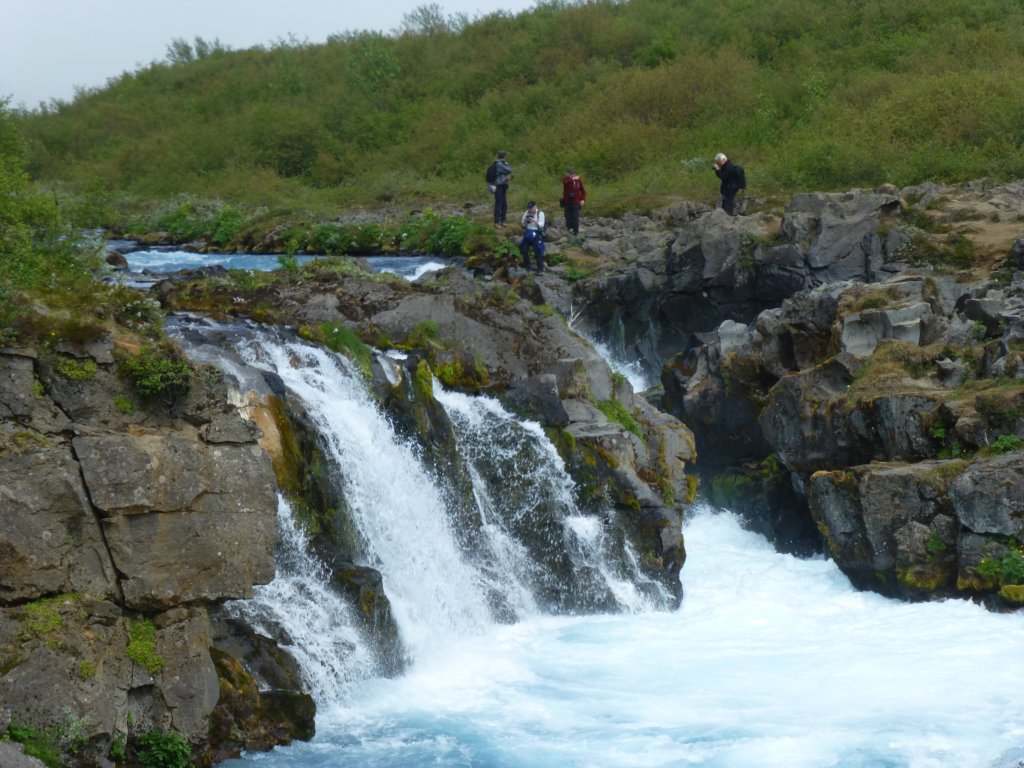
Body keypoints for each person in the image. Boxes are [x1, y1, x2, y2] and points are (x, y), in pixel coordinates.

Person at [519, 200, 546, 273]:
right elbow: (523, 224)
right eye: (529, 208)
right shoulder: (527, 212)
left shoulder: (540, 213)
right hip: (528, 232)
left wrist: (535, 220)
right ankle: (527, 265)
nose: (530, 209)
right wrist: (525, 220)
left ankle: (540, 268)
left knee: (538, 250)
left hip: (537, 232)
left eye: (532, 208)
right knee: (523, 248)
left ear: (535, 206)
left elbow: (542, 225)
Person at [488, 150, 513, 227]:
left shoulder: (497, 163)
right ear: (504, 156)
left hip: (502, 185)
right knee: (499, 203)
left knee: (504, 203)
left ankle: (503, 221)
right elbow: (509, 170)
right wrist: (507, 164)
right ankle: (496, 222)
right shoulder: (499, 164)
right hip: (498, 185)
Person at [560, 168, 586, 236]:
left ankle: (576, 233)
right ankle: (569, 230)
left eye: (573, 173)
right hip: (567, 202)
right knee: (568, 218)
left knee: (575, 218)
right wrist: (572, 179)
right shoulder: (566, 179)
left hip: (576, 202)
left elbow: (583, 191)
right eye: (571, 173)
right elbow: (565, 183)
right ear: (568, 174)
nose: (572, 175)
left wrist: (583, 200)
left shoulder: (578, 181)